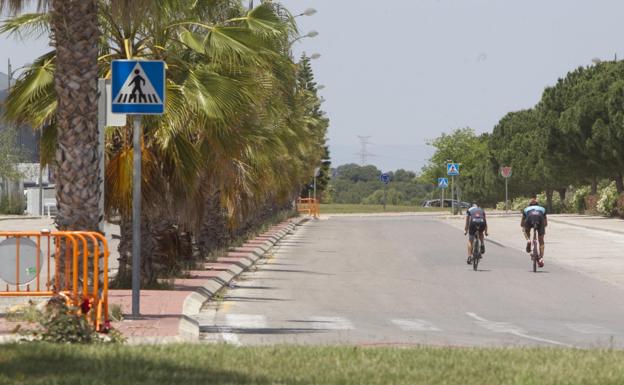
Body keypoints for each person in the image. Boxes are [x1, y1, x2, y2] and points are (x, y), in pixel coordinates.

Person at [521, 195, 547, 267]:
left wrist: (525, 228)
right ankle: (541, 258)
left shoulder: (526, 209)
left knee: (525, 230)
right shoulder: (542, 209)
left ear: (529, 205)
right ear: (538, 205)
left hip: (529, 218)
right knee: (541, 240)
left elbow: (522, 223)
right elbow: (545, 223)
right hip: (540, 219)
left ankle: (528, 240)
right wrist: (541, 230)